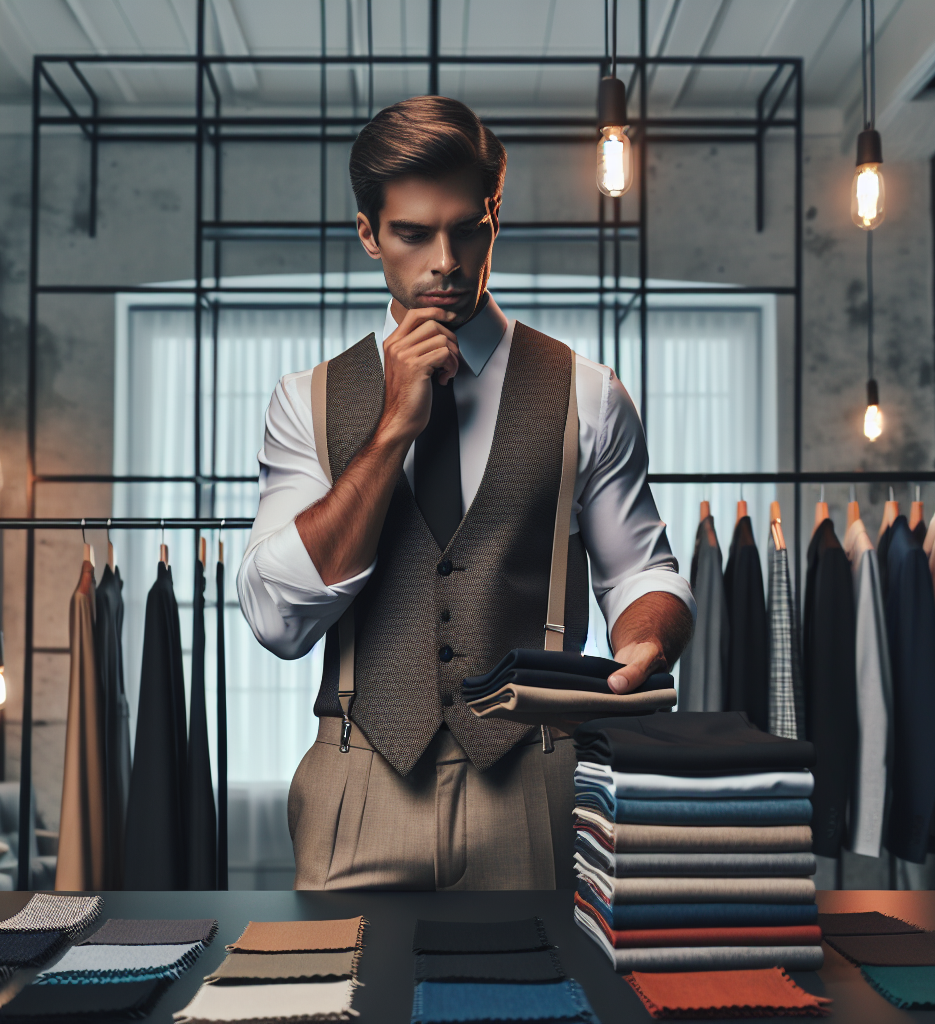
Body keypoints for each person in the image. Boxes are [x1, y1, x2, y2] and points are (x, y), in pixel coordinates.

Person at [238, 95, 695, 890]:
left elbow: (639, 573)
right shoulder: (304, 400)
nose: (445, 261)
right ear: (369, 234)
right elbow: (278, 621)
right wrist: (389, 433)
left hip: (536, 783)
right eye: (413, 233)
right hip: (358, 780)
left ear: (493, 221)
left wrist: (648, 642)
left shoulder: (588, 393)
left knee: (556, 1009)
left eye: (467, 229)